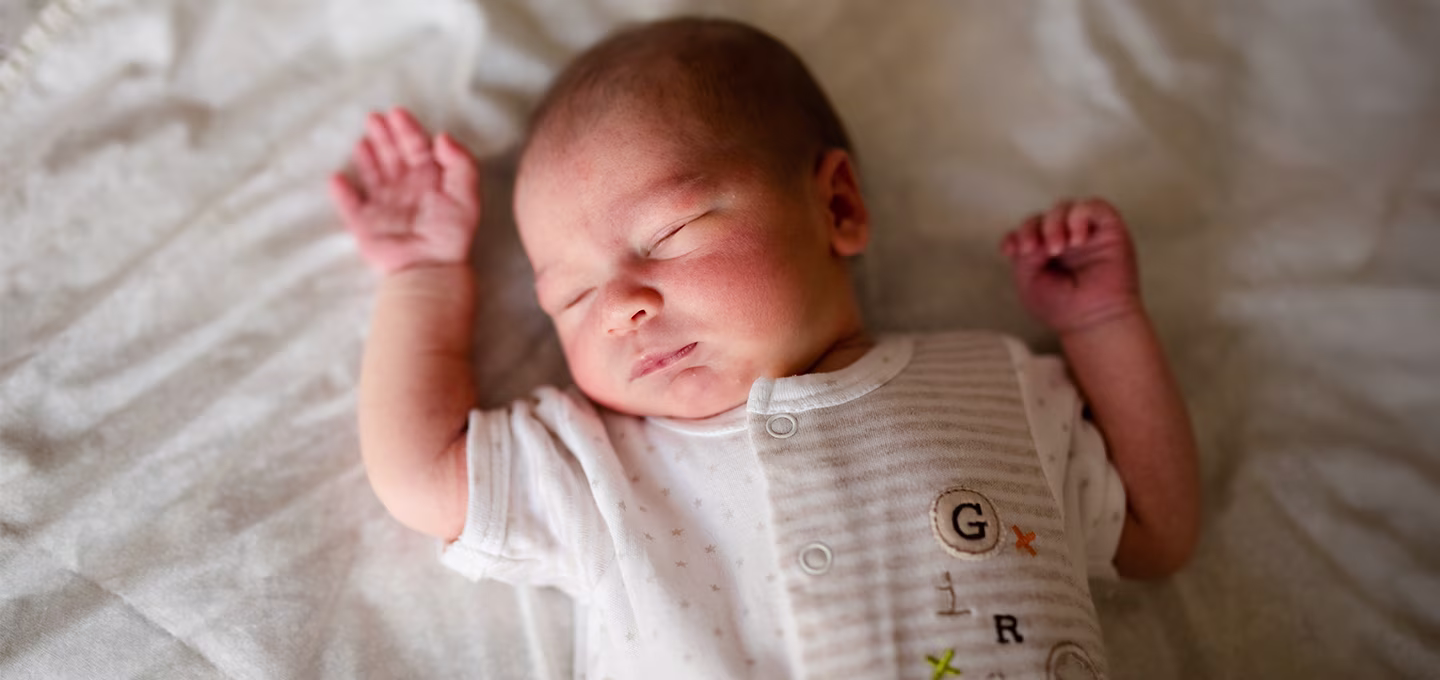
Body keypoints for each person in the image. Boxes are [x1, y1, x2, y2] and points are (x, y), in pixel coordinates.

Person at [327, 16, 1199, 680]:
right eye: (573, 295)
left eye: (670, 232)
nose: (622, 307)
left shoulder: (992, 383)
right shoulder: (599, 465)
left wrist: (1102, 326)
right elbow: (418, 471)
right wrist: (423, 278)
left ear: (839, 209)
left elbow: (1154, 534)